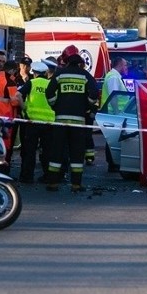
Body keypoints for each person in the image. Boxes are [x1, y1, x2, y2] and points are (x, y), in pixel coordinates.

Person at [44, 52, 98, 192]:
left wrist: (55, 106)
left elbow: (49, 92)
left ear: (67, 62)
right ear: (80, 63)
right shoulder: (85, 75)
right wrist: (87, 105)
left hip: (60, 121)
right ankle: (76, 185)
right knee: (77, 153)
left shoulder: (60, 74)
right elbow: (94, 92)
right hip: (78, 122)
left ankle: (52, 183)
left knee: (56, 152)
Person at [15, 61, 55, 183]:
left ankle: (27, 176)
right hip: (49, 123)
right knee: (47, 151)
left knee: (30, 151)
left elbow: (18, 95)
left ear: (35, 73)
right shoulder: (50, 84)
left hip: (32, 122)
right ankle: (48, 176)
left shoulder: (31, 83)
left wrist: (24, 108)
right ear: (45, 73)